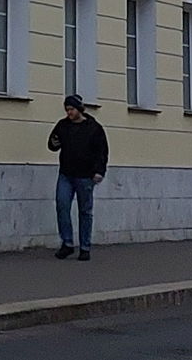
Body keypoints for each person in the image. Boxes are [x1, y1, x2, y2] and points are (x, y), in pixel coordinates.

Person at [47, 94, 109, 260]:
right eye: (67, 109)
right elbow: (52, 145)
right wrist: (54, 143)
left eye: (72, 109)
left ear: (79, 109)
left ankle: (85, 247)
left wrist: (99, 171)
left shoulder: (94, 128)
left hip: (86, 176)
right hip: (66, 174)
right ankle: (67, 243)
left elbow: (102, 152)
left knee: (85, 211)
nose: (69, 112)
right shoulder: (63, 125)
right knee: (62, 206)